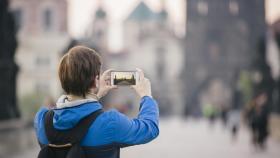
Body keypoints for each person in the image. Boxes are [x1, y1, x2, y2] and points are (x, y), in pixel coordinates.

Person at [34, 46, 159, 158]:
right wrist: (146, 95)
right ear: (95, 81)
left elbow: (75, 117)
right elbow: (149, 129)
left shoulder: (42, 120)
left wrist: (96, 95)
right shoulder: (111, 122)